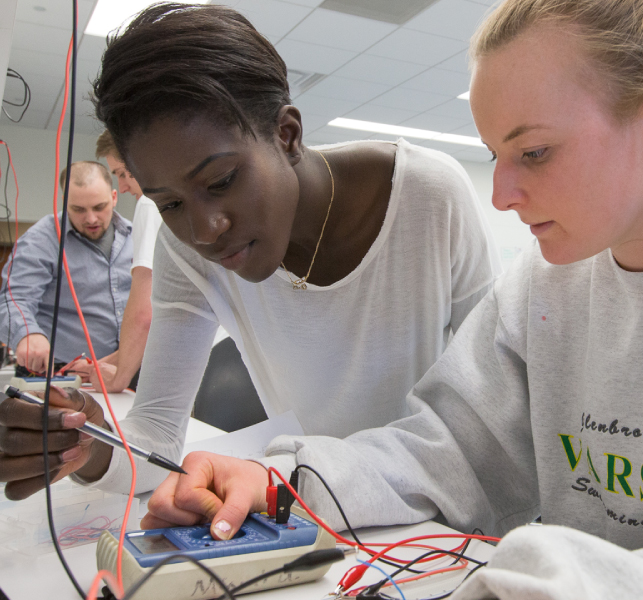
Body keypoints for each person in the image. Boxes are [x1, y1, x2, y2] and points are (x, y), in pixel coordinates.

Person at [139, 0, 643, 597]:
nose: (501, 195)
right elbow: (445, 452)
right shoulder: (548, 284)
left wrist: (548, 580)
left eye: (533, 152)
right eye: (494, 156)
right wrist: (283, 482)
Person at [0, 3, 501, 500]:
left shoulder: (429, 197)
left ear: (286, 135)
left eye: (221, 181)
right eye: (169, 202)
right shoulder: (185, 247)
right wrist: (86, 442)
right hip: (314, 514)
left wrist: (299, 477)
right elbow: (155, 431)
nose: (204, 230)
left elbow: (491, 421)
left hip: (445, 520)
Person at [0, 161, 133, 376]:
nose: (91, 219)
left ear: (114, 197)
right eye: (78, 209)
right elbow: (13, 300)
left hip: (128, 369)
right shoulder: (40, 240)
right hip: (62, 374)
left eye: (99, 207)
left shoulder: (136, 236)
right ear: (64, 202)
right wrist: (27, 334)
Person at [69, 131, 163, 392]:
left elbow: (145, 313)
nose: (122, 187)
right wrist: (105, 364)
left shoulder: (150, 204)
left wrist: (118, 378)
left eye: (123, 173)